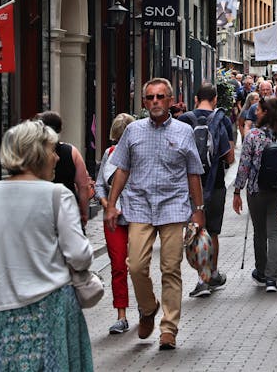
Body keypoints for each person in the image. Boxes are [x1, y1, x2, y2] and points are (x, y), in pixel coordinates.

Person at [0, 120, 93, 370]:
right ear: (38, 153)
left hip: (2, 306)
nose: (56, 158)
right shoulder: (57, 195)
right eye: (52, 150)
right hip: (51, 305)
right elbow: (80, 255)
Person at [104, 78, 205, 351]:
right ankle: (148, 308)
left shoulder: (185, 131)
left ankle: (169, 329)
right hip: (139, 206)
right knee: (135, 265)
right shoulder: (133, 131)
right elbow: (122, 169)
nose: (156, 102)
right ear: (144, 102)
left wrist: (199, 211)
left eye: (161, 97)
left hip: (173, 207)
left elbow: (193, 173)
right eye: (150, 98)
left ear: (171, 101)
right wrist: (112, 204)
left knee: (170, 268)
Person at [178, 83, 235, 297]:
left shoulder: (184, 120)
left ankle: (200, 279)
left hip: (189, 185)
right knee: (212, 231)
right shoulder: (223, 119)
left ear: (195, 99)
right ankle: (211, 274)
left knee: (194, 229)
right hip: (216, 183)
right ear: (215, 99)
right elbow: (229, 156)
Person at [233, 97, 277, 292]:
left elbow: (244, 165)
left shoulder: (253, 136)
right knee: (275, 233)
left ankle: (261, 272)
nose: (255, 112)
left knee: (260, 232)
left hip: (256, 190)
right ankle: (272, 278)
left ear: (266, 112)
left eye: (259, 110)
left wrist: (237, 190)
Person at [95, 113, 135, 334]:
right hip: (114, 219)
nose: (120, 145)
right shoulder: (109, 154)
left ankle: (146, 308)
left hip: (138, 216)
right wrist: (106, 203)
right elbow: (100, 185)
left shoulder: (140, 155)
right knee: (118, 266)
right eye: (118, 139)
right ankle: (121, 315)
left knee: (139, 266)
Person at [36, 111, 92, 228]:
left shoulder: (34, 153)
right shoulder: (71, 152)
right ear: (60, 129)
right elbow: (83, 186)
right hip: (68, 210)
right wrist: (84, 212)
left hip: (41, 210)